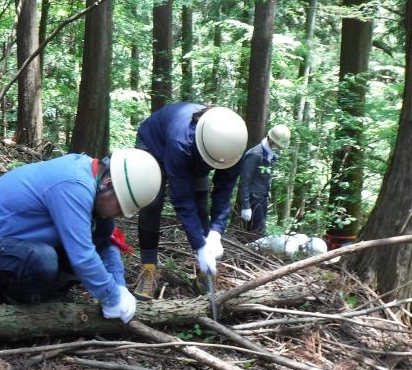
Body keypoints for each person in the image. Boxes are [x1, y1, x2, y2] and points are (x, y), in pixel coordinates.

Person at [0, 149, 162, 324]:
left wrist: (120, 286)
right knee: (42, 259)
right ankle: (14, 304)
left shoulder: (93, 182)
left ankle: (38, 295)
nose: (119, 215)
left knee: (100, 230)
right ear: (108, 185)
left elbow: (106, 243)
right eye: (120, 207)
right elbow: (83, 256)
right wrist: (111, 297)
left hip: (10, 251)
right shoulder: (74, 184)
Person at [132, 103, 248, 301]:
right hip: (154, 144)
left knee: (201, 205)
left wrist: (216, 232)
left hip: (199, 155)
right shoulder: (181, 141)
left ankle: (205, 272)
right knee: (152, 202)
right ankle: (149, 268)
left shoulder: (233, 146)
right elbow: (182, 199)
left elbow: (224, 191)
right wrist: (199, 246)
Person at [237, 124, 291, 236]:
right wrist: (246, 206)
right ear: (270, 140)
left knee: (257, 233)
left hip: (263, 199)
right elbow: (244, 181)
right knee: (258, 232)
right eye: (277, 145)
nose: (278, 148)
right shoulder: (255, 154)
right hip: (253, 198)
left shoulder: (270, 154)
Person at [246, 233, 327, 259]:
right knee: (249, 249)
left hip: (267, 247)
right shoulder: (292, 248)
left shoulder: (300, 238)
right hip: (262, 247)